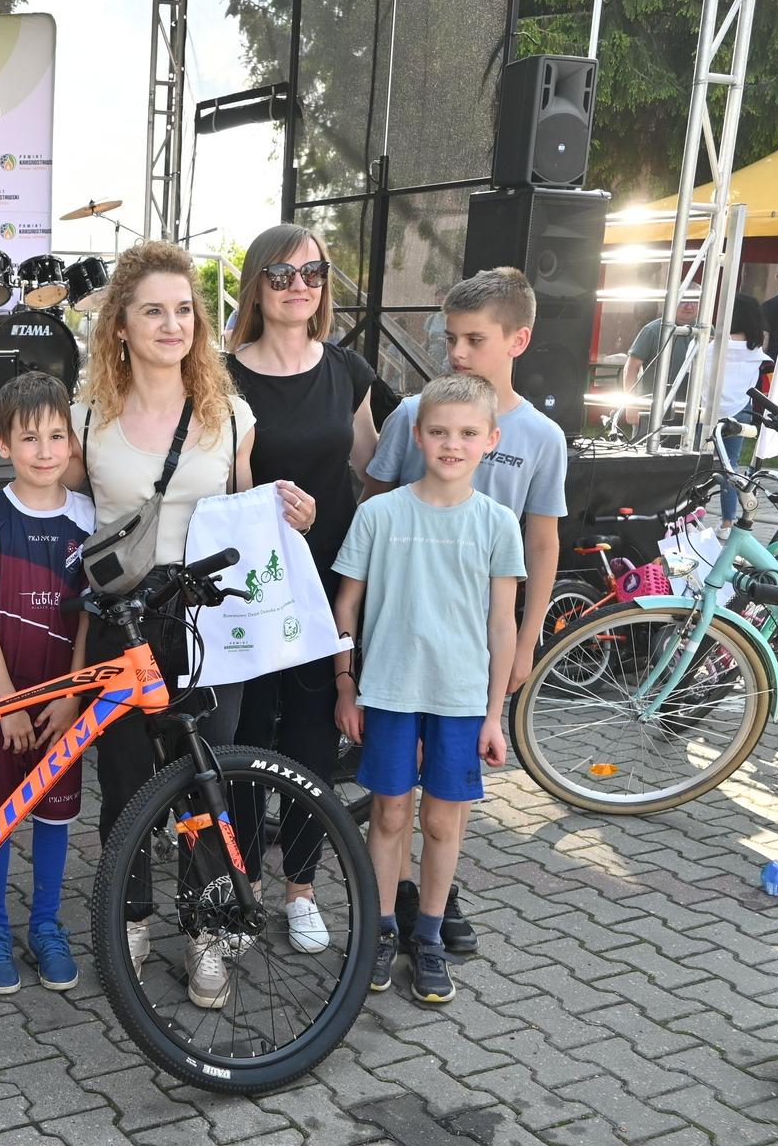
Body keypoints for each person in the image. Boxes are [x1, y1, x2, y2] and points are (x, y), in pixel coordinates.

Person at [0, 240, 319, 1009]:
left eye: (184, 310)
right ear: (119, 324)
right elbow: (48, 502)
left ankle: (207, 930)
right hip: (120, 621)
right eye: (153, 310)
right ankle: (133, 916)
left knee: (207, 778)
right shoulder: (88, 418)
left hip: (212, 623)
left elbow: (248, 514)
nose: (171, 324)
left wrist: (295, 516)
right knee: (124, 779)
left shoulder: (232, 416)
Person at [363, 266, 565, 955]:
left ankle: (438, 901)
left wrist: (528, 639)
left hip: (477, 644)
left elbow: (543, 541)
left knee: (450, 794)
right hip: (405, 639)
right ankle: (393, 903)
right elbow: (376, 504)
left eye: (474, 339)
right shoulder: (413, 413)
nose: (456, 353)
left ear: (518, 340)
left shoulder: (541, 436)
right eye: (450, 338)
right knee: (393, 797)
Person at [335, 373, 524, 1006]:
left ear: (490, 440)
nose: (452, 444)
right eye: (439, 432)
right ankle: (380, 927)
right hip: (388, 691)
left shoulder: (497, 523)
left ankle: (431, 933)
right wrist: (345, 685)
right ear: (416, 436)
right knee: (389, 814)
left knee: (443, 822)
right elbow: (347, 607)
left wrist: (494, 714)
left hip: (461, 699)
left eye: (468, 433)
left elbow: (502, 624)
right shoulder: (379, 514)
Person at [223, 224, 379, 955]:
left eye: (313, 273)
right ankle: (246, 884)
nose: (300, 287)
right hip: (255, 582)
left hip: (327, 578)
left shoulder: (348, 369)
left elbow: (373, 468)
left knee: (312, 734)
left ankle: (302, 888)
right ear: (256, 284)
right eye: (282, 275)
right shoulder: (223, 376)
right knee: (250, 731)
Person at [0, 372, 93, 994]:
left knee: (55, 816)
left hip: (60, 705)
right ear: (3, 444)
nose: (44, 451)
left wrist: (72, 697)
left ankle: (45, 926)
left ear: (72, 443)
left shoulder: (88, 518)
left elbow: (88, 618)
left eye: (56, 436)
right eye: (29, 438)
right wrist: (8, 705)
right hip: (0, 702)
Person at [715, 292, 769, 521]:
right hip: (741, 409)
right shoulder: (756, 350)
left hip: (708, 410)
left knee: (697, 466)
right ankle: (728, 522)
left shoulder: (714, 345)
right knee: (730, 467)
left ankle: (691, 518)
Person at [621, 295, 700, 435]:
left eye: (694, 301)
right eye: (683, 300)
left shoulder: (707, 332)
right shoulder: (652, 330)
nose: (688, 306)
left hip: (691, 412)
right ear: (673, 300)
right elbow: (631, 368)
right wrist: (631, 405)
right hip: (651, 411)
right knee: (645, 448)